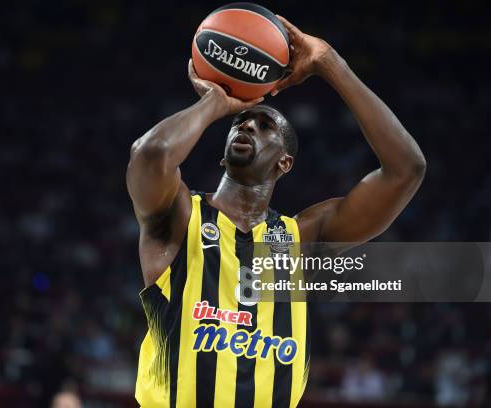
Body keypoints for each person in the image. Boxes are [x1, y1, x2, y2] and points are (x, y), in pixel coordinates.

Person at [126, 16, 426, 408]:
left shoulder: (303, 237)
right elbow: (151, 155)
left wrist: (329, 62)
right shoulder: (180, 216)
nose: (247, 126)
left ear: (284, 163)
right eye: (241, 122)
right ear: (222, 154)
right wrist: (215, 100)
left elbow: (407, 168)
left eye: (264, 125)